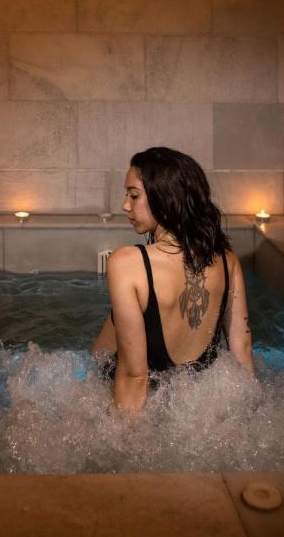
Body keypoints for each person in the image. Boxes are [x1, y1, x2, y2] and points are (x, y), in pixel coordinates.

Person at [91, 147, 255, 415]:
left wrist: (123, 449)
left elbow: (134, 377)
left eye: (134, 195)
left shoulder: (127, 263)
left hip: (130, 397)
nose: (125, 205)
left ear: (164, 197)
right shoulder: (228, 261)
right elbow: (243, 353)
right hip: (188, 403)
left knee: (104, 346)